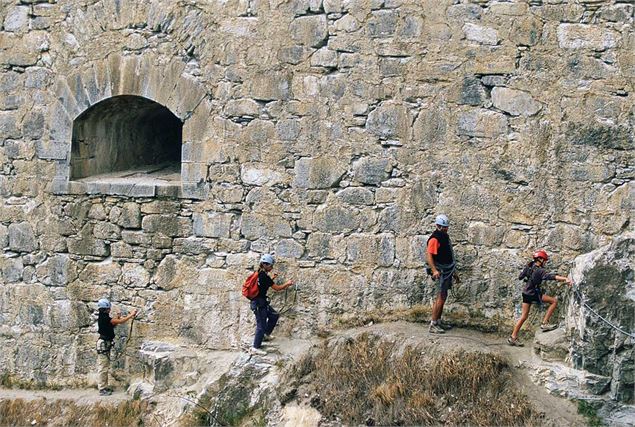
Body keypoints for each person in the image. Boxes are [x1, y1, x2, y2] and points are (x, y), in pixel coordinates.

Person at [508, 250, 572, 346]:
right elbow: (550, 277)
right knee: (554, 301)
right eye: (545, 260)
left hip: (526, 293)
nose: (545, 262)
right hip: (533, 293)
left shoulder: (529, 266)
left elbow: (520, 277)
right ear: (540, 259)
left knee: (523, 317)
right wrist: (565, 279)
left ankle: (513, 337)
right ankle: (545, 323)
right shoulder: (540, 270)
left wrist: (528, 274)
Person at [249, 254, 294, 355]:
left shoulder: (259, 273)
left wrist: (272, 278)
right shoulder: (264, 276)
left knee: (274, 315)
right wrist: (288, 283)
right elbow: (277, 288)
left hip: (261, 302)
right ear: (265, 264)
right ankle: (255, 347)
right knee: (261, 325)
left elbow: (263, 285)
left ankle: (265, 335)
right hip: (258, 304)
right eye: (270, 266)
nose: (272, 267)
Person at [96, 298, 137, 395]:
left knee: (104, 366)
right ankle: (102, 389)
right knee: (103, 367)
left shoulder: (103, 317)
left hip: (105, 344)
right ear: (107, 308)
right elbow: (120, 322)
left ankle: (104, 387)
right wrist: (131, 315)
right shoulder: (105, 318)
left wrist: (118, 317)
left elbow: (112, 324)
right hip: (103, 344)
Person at [426, 214, 458, 334]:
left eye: (446, 227)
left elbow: (448, 255)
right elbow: (429, 256)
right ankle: (433, 324)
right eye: (443, 227)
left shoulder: (444, 237)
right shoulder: (435, 239)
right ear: (438, 226)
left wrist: (454, 272)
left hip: (447, 270)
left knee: (443, 297)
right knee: (440, 297)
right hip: (441, 272)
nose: (445, 229)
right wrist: (434, 270)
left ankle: (438, 320)